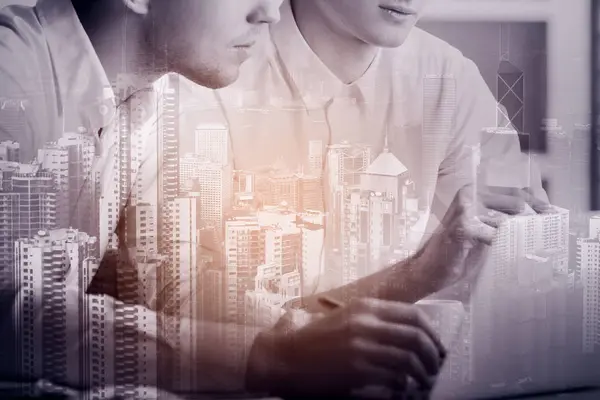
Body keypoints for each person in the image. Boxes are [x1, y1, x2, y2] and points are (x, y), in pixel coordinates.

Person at [169, 0, 552, 396]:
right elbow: (193, 332)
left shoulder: (446, 77)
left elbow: (521, 276)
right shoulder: (205, 71)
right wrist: (418, 275)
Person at [0, 0, 283, 396]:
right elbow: (7, 313)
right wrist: (263, 357)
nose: (271, 13)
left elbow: (173, 293)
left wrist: (328, 330)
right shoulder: (9, 74)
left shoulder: (148, 101)